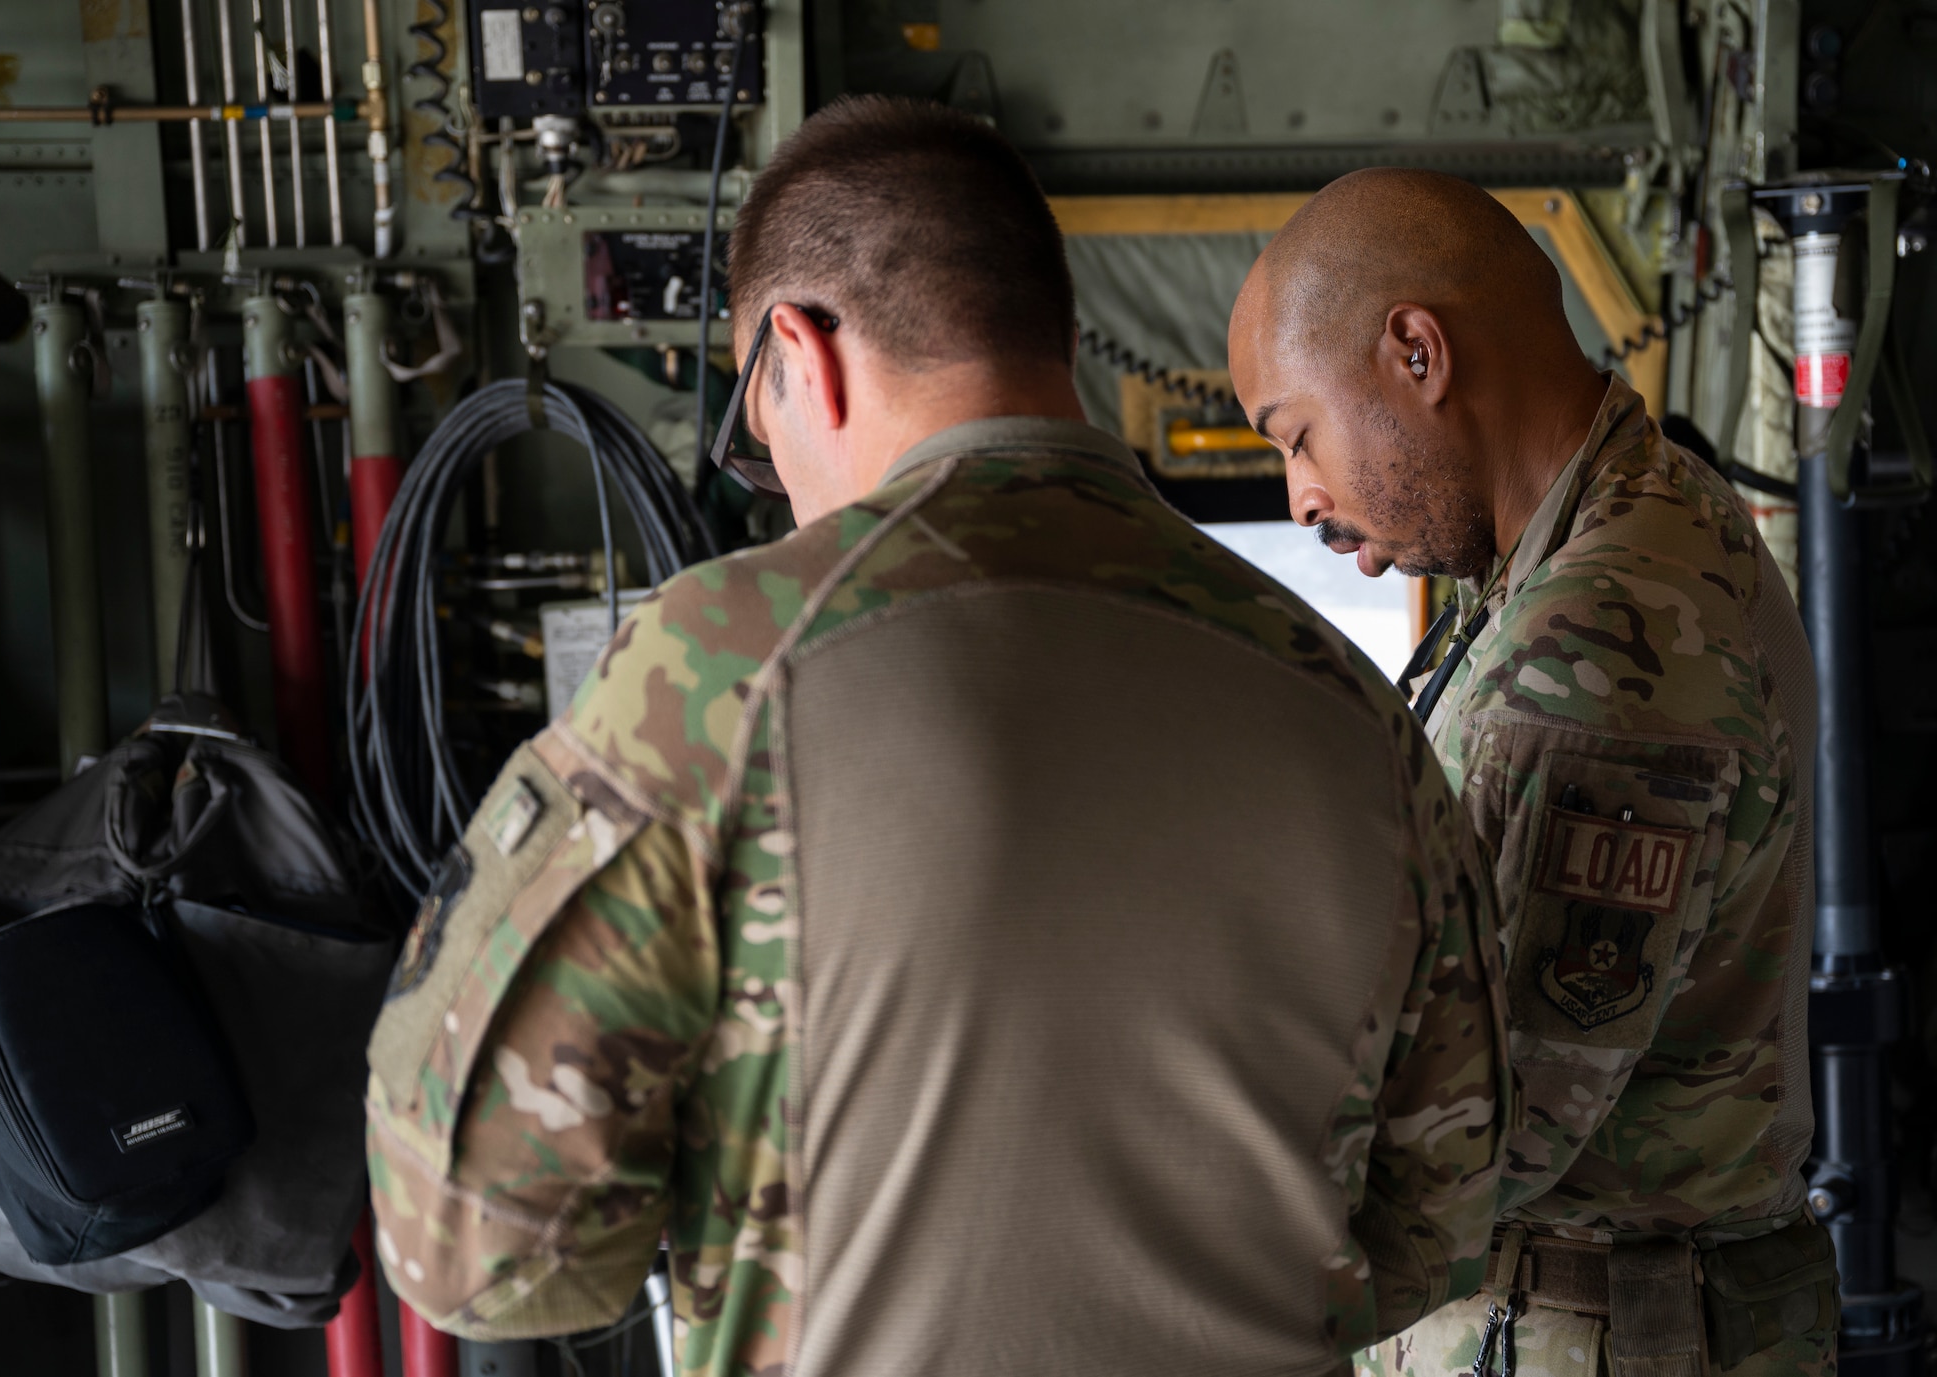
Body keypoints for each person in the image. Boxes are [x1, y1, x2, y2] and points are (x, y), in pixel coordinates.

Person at [365, 99, 1508, 1377]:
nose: (779, 484)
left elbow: (476, 1247)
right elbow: (1436, 1223)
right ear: (1052, 335)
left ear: (801, 352)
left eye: (758, 437)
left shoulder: (728, 666)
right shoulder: (1349, 706)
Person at [1228, 169, 1831, 1377]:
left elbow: (1484, 1135)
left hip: (1596, 1325)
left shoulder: (1603, 644)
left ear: (1414, 352)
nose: (1300, 499)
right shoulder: (1594, 546)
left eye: (1297, 434)